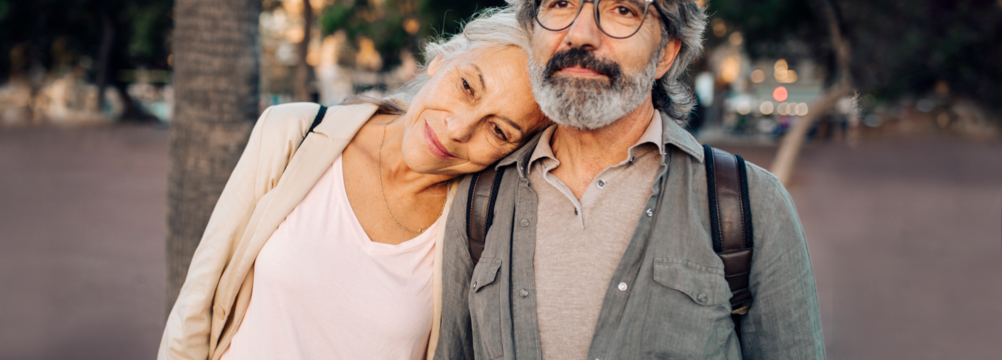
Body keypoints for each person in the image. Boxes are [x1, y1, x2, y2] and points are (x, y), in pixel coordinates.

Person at [433, 1, 826, 359]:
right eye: (559, 4)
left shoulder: (749, 204)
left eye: (622, 9)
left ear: (666, 53)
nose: (580, 34)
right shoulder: (479, 199)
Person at [160, 8, 549, 360]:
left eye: (498, 130)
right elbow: (198, 303)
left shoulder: (478, 227)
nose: (458, 129)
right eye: (466, 87)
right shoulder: (293, 133)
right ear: (442, 59)